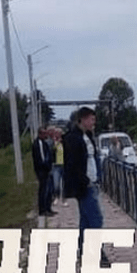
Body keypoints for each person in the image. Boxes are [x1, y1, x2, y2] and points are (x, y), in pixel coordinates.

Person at [63, 107, 108, 266]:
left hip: (91, 183)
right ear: (82, 119)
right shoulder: (73, 138)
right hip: (85, 185)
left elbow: (92, 158)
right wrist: (84, 181)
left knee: (86, 220)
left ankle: (83, 250)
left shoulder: (88, 136)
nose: (93, 122)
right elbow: (73, 165)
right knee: (96, 219)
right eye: (91, 119)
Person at [32, 127, 56, 216]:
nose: (46, 135)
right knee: (43, 190)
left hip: (47, 169)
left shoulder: (44, 143)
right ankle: (42, 210)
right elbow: (41, 158)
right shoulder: (38, 144)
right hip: (42, 171)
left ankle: (48, 208)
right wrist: (45, 167)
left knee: (49, 190)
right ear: (40, 134)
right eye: (44, 133)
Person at [52, 128, 67, 207]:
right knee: (56, 183)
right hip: (56, 165)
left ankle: (64, 199)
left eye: (59, 133)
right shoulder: (53, 142)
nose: (58, 135)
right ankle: (56, 197)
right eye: (56, 133)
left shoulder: (64, 143)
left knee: (64, 183)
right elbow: (52, 151)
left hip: (64, 165)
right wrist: (55, 143)